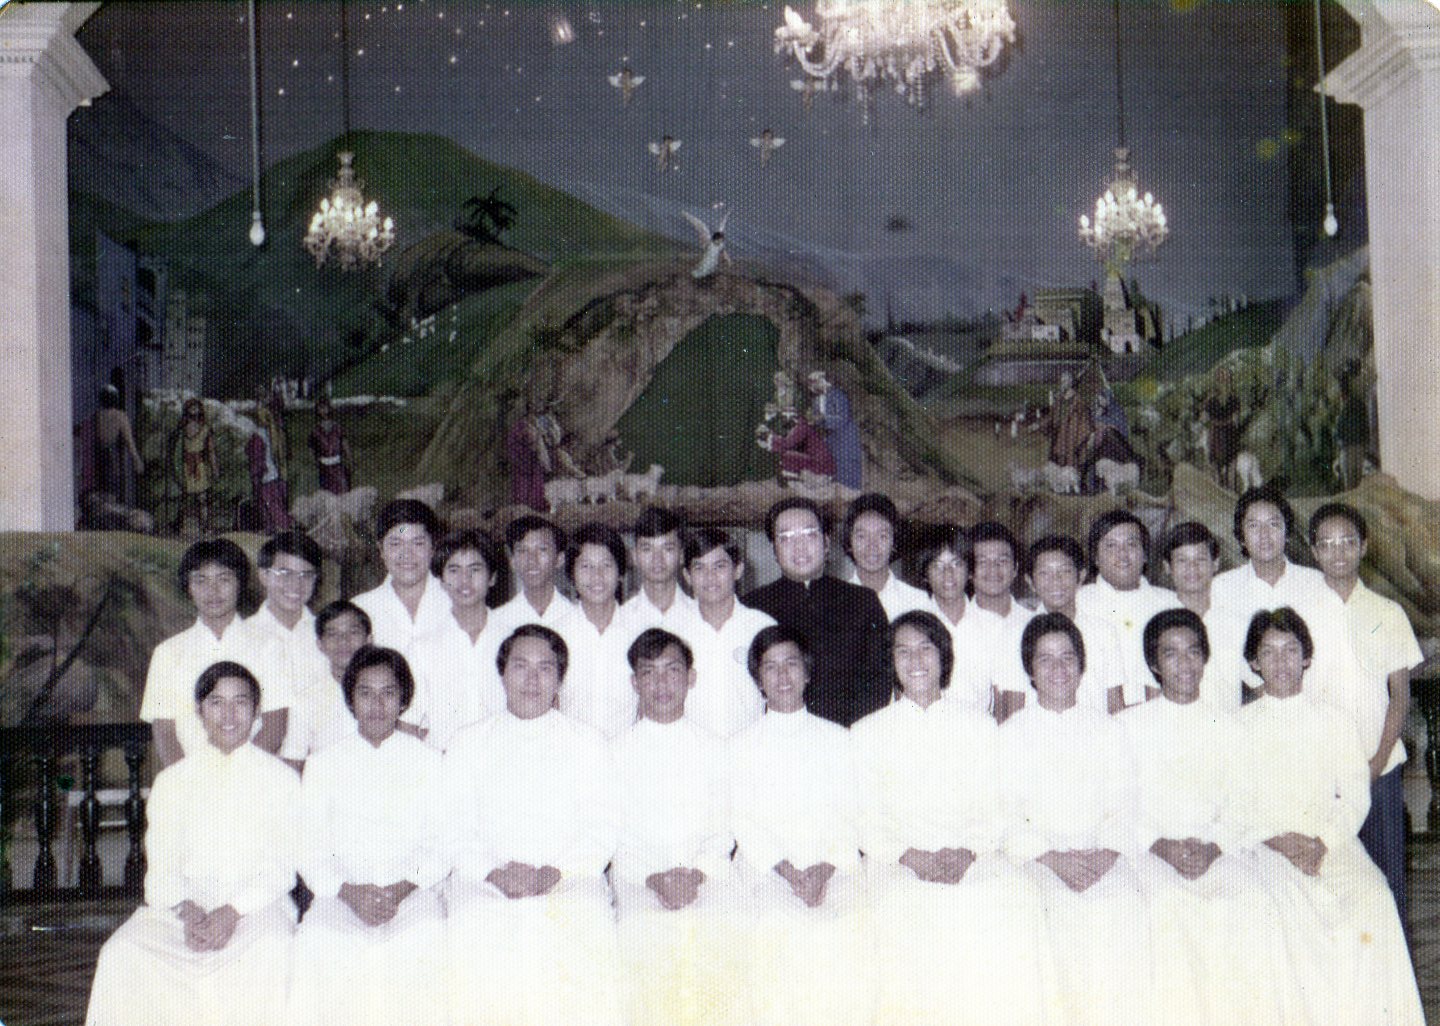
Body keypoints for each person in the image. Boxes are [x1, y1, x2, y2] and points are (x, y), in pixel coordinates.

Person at [852, 611, 1051, 1026]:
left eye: (926, 648)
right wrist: (909, 856)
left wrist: (968, 851)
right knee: (897, 909)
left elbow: (998, 803)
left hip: (974, 856)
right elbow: (863, 813)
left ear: (944, 658)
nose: (917, 661)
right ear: (891, 662)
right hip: (898, 863)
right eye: (903, 651)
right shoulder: (868, 732)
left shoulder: (978, 726)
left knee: (1014, 898)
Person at [86, 662, 299, 1026]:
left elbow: (283, 867)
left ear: (256, 711)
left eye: (240, 702)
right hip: (183, 910)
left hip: (256, 909)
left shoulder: (282, 779)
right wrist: (188, 911)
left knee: (274, 950)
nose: (228, 715)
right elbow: (162, 865)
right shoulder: (172, 781)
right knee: (122, 952)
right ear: (199, 712)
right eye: (216, 703)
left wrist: (232, 912)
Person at [1238, 608, 1424, 1026]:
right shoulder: (1238, 726)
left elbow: (1355, 795)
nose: (1281, 662)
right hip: (1267, 846)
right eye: (1269, 652)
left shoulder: (1334, 719)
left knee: (1373, 895)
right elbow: (1235, 800)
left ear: (1307, 657)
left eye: (1291, 650)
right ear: (1254, 663)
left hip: (1331, 842)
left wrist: (1323, 842)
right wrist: (1278, 841)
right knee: (1282, 913)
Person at [443, 625, 624, 1026]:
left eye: (545, 668)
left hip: (568, 879)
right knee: (476, 928)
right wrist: (494, 873)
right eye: (520, 667)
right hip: (486, 882)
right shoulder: (468, 742)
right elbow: (453, 826)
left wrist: (552, 873)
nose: (532, 679)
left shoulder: (589, 742)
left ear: (560, 678)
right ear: (502, 673)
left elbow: (603, 827)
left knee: (582, 923)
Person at [1120, 609, 1293, 1025]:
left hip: (1219, 852)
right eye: (1171, 654)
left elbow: (1244, 803)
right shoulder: (1127, 727)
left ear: (1206, 658)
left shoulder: (1230, 727)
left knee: (1255, 903)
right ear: (1154, 664)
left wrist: (1214, 845)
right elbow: (1118, 804)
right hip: (1150, 854)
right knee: (1167, 913)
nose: (1184, 664)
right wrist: (1160, 845)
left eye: (1193, 652)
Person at [996, 613, 1152, 1026]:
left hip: (1102, 857)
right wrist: (1053, 859)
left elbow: (1126, 803)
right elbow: (1005, 813)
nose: (1058, 669)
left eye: (1068, 658)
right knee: (1031, 918)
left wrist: (1104, 855)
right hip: (1038, 862)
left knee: (1125, 908)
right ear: (1029, 670)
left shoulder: (1109, 731)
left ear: (1083, 667)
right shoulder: (1011, 734)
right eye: (1045, 660)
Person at [288, 647, 451, 1026]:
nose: (377, 705)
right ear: (350, 700)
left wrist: (397, 891)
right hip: (341, 895)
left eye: (388, 693)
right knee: (318, 941)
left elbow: (442, 842)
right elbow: (310, 848)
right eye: (365, 693)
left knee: (425, 940)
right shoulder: (323, 764)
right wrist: (351, 893)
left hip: (412, 894)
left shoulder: (429, 762)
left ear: (403, 700)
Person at [728, 627, 876, 1026]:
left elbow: (852, 813)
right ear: (758, 679)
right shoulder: (740, 746)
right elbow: (743, 819)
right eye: (771, 667)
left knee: (852, 927)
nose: (783, 677)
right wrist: (792, 873)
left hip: (834, 867)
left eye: (792, 664)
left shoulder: (838, 739)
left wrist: (824, 869)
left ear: (808, 673)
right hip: (769, 872)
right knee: (778, 932)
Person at [610, 629, 744, 1026]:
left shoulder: (717, 748)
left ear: (691, 678)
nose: (662, 683)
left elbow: (724, 828)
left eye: (672, 670)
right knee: (645, 933)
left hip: (707, 875)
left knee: (722, 928)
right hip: (639, 878)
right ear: (634, 683)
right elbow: (615, 834)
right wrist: (655, 878)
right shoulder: (614, 752)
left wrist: (695, 873)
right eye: (648, 673)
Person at [1309, 502, 1423, 920]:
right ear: (1314, 551)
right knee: (1327, 881)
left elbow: (1400, 695)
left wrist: (1376, 762)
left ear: (1364, 547)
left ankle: (1395, 982)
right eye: (1328, 544)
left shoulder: (1388, 613)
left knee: (1387, 879)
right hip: (1320, 773)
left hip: (1380, 768)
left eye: (1348, 542)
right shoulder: (1300, 613)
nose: (1339, 552)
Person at [141, 539, 289, 767]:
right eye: (201, 580)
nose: (213, 591)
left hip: (253, 778)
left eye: (224, 579)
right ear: (188, 587)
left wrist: (237, 773)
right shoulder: (168, 653)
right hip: (190, 782)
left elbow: (275, 723)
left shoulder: (269, 646)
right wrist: (188, 778)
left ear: (240, 583)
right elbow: (164, 730)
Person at [742, 497, 889, 727]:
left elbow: (880, 678)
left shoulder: (863, 601)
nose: (799, 546)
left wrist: (851, 734)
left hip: (847, 738)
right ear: (774, 549)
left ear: (826, 543)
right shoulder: (751, 607)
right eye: (786, 538)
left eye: (809, 534)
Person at [1209, 483, 1360, 702]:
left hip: (1314, 703)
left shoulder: (1317, 584)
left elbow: (1330, 650)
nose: (1264, 535)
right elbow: (1225, 651)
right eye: (1253, 526)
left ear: (1287, 531)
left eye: (1273, 524)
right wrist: (1261, 689)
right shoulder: (1221, 588)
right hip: (1250, 706)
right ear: (1241, 536)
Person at [995, 535, 1126, 719]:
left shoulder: (1104, 631)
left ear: (1080, 576)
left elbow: (1115, 703)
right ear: (1030, 582)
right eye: (1044, 573)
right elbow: (1012, 706)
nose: (1055, 581)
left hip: (1095, 737)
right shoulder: (1015, 633)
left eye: (1064, 571)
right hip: (1037, 739)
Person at [403, 528, 509, 751]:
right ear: (441, 580)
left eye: (475, 569)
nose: (464, 580)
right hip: (442, 768)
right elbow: (408, 724)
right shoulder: (422, 646)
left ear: (492, 577)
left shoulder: (513, 640)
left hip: (503, 765)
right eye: (454, 570)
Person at [679, 527, 775, 738]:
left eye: (719, 566)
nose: (710, 577)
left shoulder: (762, 627)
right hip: (691, 752)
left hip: (750, 750)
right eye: (699, 568)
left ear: (738, 569)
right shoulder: (672, 630)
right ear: (687, 575)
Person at [1074, 509, 1175, 707]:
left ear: (1145, 555)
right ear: (1095, 558)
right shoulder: (1076, 603)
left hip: (1160, 721)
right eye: (1110, 545)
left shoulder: (1170, 604)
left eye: (1131, 544)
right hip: (1094, 724)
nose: (1122, 554)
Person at [554, 523, 642, 739]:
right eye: (586, 566)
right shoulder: (556, 634)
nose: (597, 576)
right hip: (571, 757)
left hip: (625, 758)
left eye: (606, 565)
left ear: (621, 572)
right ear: (571, 574)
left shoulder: (639, 631)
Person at [1157, 521, 1248, 709]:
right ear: (1167, 567)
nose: (1192, 568)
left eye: (1200, 559)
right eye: (1182, 560)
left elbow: (1260, 682)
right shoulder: (1156, 625)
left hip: (1226, 729)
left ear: (1215, 563)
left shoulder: (1236, 623)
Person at [909, 526, 997, 714]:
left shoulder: (993, 625)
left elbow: (1003, 695)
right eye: (937, 566)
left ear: (970, 570)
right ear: (925, 573)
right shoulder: (913, 626)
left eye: (956, 564)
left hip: (980, 732)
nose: (948, 574)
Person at [282, 601, 372, 770]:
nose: (343, 641)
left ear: (369, 640)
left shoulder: (388, 693)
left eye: (353, 632)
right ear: (320, 645)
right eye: (332, 634)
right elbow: (293, 762)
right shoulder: (306, 700)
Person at [351, 499, 452, 651]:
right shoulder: (360, 609)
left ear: (433, 548)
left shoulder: (457, 600)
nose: (406, 554)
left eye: (417, 543)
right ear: (381, 550)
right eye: (395, 544)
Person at [841, 493, 928, 620]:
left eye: (882, 536)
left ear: (894, 542)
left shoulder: (919, 602)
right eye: (862, 536)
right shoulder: (835, 603)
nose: (872, 546)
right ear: (849, 542)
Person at [490, 514, 573, 631]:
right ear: (512, 561)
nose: (532, 559)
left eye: (542, 549)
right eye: (522, 550)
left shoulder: (576, 618)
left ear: (559, 559)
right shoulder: (497, 622)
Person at [619, 506, 695, 631]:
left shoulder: (700, 617)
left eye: (667, 548)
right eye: (647, 549)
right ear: (634, 556)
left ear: (682, 555)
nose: (657, 559)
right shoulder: (620, 621)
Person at [807, 369, 862, 490]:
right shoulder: (816, 400)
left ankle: (851, 492)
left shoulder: (837, 395)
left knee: (846, 465)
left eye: (814, 384)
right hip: (829, 437)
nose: (812, 388)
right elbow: (816, 419)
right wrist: (813, 421)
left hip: (845, 436)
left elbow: (843, 417)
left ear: (821, 381)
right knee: (831, 464)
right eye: (811, 385)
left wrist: (823, 419)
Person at [94, 383, 144, 506]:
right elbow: (129, 442)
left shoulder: (96, 416)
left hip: (97, 459)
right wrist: (137, 461)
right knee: (111, 497)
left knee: (101, 497)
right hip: (112, 460)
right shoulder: (120, 416)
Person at [175, 397, 219, 534]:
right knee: (185, 498)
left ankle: (205, 527)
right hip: (186, 467)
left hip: (199, 466)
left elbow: (211, 451)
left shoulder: (205, 429)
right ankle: (181, 526)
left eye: (196, 409)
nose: (194, 412)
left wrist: (215, 468)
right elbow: (178, 450)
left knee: (202, 498)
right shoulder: (182, 430)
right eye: (191, 409)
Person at [505, 400, 551, 511]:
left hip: (535, 461)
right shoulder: (520, 426)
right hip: (524, 461)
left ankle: (537, 508)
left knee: (536, 486)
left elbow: (542, 443)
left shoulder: (538, 424)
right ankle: (524, 509)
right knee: (522, 488)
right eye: (533, 411)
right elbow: (513, 444)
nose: (535, 414)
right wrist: (527, 450)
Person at [307, 397, 353, 494]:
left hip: (337, 466)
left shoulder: (337, 428)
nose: (323, 410)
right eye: (320, 408)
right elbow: (311, 448)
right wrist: (314, 462)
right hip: (324, 467)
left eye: (325, 407)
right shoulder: (315, 431)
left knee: (342, 492)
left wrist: (350, 459)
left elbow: (345, 444)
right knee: (327, 495)